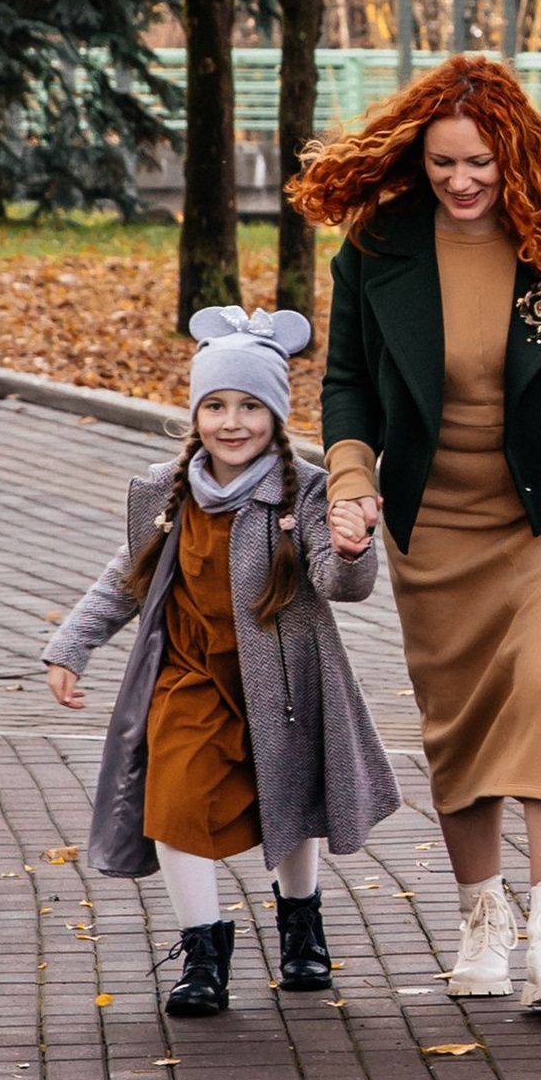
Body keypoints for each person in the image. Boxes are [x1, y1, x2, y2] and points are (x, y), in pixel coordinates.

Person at [290, 58, 541, 1019]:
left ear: (515, 155)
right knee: (459, 721)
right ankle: (482, 920)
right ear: (417, 159)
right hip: (441, 518)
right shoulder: (379, 245)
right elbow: (348, 383)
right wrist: (349, 481)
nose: (462, 183)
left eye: (480, 164)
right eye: (442, 165)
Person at [43, 306, 402, 1017]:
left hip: (285, 684)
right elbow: (127, 577)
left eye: (249, 406)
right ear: (195, 413)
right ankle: (202, 953)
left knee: (291, 803)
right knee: (173, 804)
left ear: (274, 414)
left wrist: (356, 548)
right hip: (189, 678)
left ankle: (302, 927)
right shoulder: (165, 492)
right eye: (214, 406)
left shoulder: (305, 490)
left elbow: (339, 583)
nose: (231, 422)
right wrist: (72, 645)